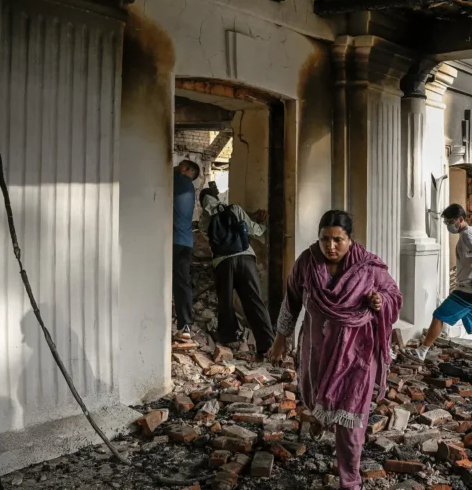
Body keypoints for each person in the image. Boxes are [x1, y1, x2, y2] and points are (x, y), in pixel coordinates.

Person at [267, 210, 401, 490]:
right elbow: (291, 300)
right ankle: (321, 421)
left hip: (358, 355)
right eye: (324, 239)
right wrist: (281, 337)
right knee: (319, 399)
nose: (330, 246)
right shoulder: (307, 262)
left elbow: (394, 296)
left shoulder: (369, 268)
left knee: (351, 418)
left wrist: (380, 301)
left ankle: (350, 481)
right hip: (318, 350)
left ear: (350, 240)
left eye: (338, 240)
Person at [414, 204, 472, 372]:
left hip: (467, 290)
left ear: (461, 219)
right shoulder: (467, 235)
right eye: (446, 222)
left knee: (439, 315)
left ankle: (422, 351)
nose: (448, 225)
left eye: (450, 221)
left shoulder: (469, 236)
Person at [199, 188, 275, 356]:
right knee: (255, 302)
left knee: (225, 303)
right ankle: (267, 346)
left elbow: (209, 237)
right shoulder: (234, 208)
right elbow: (253, 230)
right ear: (217, 197)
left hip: (223, 263)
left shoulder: (205, 220)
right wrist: (263, 225)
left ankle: (228, 341)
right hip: (246, 259)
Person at [172, 160, 200, 341]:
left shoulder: (179, 181)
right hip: (186, 242)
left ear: (186, 170)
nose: (177, 166)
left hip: (173, 241)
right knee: (182, 283)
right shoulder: (189, 188)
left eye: (181, 165)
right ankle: (185, 326)